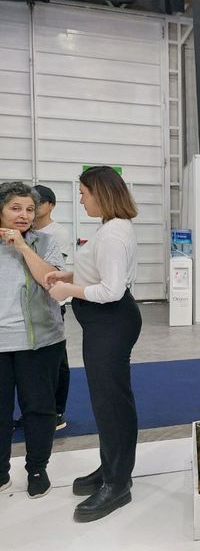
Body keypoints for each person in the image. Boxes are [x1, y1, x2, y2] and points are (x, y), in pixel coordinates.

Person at [45, 166, 142, 522]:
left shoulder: (113, 233)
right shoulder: (111, 227)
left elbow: (111, 290)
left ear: (100, 193)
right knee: (108, 401)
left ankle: (118, 483)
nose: (81, 199)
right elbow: (101, 273)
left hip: (110, 322)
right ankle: (111, 468)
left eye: (84, 193)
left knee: (111, 403)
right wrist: (69, 275)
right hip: (106, 323)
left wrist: (67, 289)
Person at [0, 182, 66, 499]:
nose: (24, 215)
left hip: (41, 342)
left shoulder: (46, 242)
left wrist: (24, 248)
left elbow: (52, 282)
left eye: (29, 209)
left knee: (39, 410)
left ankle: (37, 469)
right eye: (15, 208)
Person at [33, 184, 71, 431]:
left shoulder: (58, 233)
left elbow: (52, 271)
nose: (33, 208)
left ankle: (57, 411)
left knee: (57, 359)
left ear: (50, 205)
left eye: (38, 203)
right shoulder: (26, 231)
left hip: (54, 303)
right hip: (30, 305)